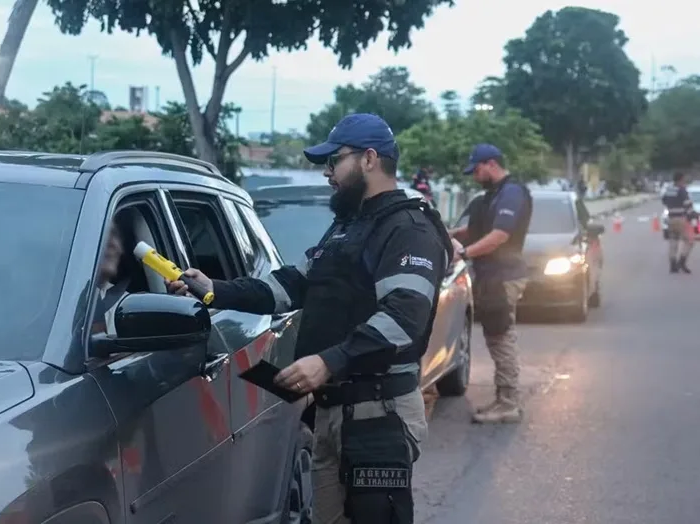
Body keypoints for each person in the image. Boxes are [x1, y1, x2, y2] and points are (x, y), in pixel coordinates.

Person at [167, 113, 453, 524]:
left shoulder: (408, 228)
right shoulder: (348, 227)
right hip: (331, 413)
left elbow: (404, 318)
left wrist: (329, 360)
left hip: (379, 417)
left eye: (334, 161)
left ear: (369, 159)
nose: (327, 173)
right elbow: (289, 286)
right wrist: (213, 288)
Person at [449, 144, 533, 424]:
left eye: (476, 170)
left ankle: (509, 403)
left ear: (491, 164)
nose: (474, 176)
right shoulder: (492, 195)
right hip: (491, 276)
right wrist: (446, 233)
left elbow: (499, 236)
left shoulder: (512, 193)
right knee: (496, 336)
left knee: (501, 337)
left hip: (503, 275)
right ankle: (503, 399)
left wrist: (464, 253)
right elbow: (476, 229)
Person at [661, 171, 695, 274]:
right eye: (683, 179)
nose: (684, 181)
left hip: (671, 219)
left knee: (673, 242)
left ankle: (673, 265)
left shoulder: (669, 190)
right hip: (680, 219)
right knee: (690, 241)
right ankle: (682, 262)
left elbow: (664, 200)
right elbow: (687, 204)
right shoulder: (682, 190)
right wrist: (693, 215)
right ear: (680, 179)